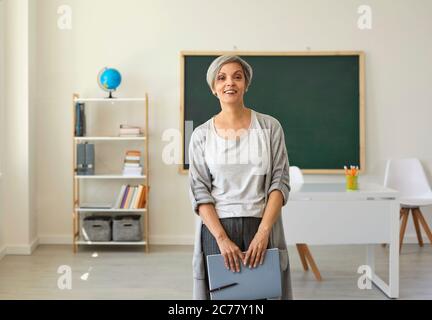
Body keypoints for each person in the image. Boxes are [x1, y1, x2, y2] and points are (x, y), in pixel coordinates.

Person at [188, 55, 292, 300]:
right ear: (213, 88)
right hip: (217, 231)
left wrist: (263, 233)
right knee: (225, 301)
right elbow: (199, 191)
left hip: (262, 225)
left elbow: (280, 182)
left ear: (246, 83)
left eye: (237, 76)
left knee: (262, 299)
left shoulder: (270, 127)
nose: (229, 83)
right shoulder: (201, 135)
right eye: (221, 78)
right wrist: (222, 239)